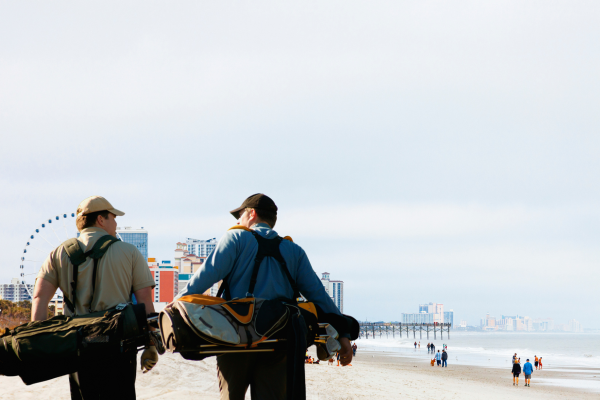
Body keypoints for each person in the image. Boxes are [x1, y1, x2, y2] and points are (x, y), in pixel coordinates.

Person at [174, 194, 353, 400]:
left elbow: (202, 280)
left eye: (239, 216)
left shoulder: (235, 238)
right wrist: (344, 334)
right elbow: (319, 296)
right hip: (279, 340)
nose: (238, 222)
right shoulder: (294, 251)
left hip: (236, 337)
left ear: (252, 214)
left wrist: (172, 310)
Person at [31, 196, 157, 400]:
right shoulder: (130, 252)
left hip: (77, 347)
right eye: (113, 217)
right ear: (101, 219)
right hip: (120, 346)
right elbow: (145, 302)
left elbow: (39, 299)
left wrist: (39, 347)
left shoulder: (58, 253)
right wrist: (151, 345)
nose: (116, 223)